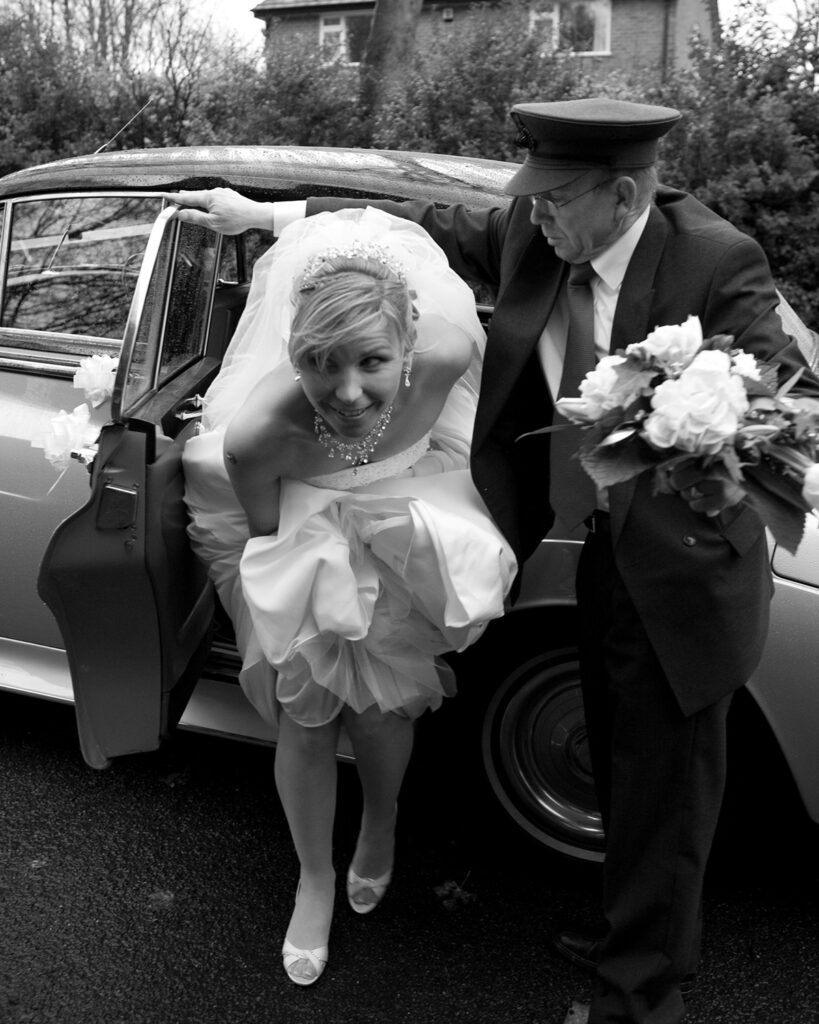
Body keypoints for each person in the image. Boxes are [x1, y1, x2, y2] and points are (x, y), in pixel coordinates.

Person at [170, 97, 819, 1022]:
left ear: (624, 194)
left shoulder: (714, 259)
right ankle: (628, 934)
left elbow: (781, 416)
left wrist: (686, 420)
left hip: (681, 570)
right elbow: (422, 223)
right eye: (534, 200)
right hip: (593, 549)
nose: (535, 215)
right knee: (617, 755)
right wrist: (267, 217)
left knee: (665, 788)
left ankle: (642, 995)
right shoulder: (531, 228)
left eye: (556, 202)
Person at [181, 206, 516, 987]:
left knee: (383, 707)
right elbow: (267, 539)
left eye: (370, 360)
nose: (349, 391)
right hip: (301, 545)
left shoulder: (447, 353)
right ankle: (314, 875)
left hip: (403, 530)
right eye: (321, 363)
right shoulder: (258, 436)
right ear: (293, 354)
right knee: (306, 715)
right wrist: (324, 589)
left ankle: (380, 823)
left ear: (409, 345)